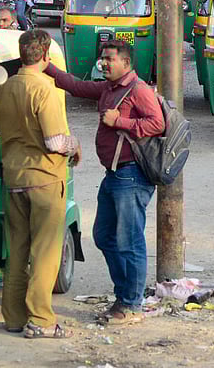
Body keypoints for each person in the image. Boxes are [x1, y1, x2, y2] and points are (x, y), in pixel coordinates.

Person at [44, 39, 164, 325]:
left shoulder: (139, 90)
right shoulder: (108, 89)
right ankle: (124, 295)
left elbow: (157, 124)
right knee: (104, 236)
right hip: (113, 175)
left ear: (126, 62)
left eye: (110, 59)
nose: (104, 63)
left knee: (129, 240)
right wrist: (45, 65)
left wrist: (119, 122)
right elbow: (75, 86)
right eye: (102, 59)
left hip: (132, 175)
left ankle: (131, 304)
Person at [0, 29, 79, 339]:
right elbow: (55, 141)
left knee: (16, 250)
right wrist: (76, 145)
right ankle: (42, 319)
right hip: (44, 179)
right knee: (45, 252)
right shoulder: (44, 89)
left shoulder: (4, 88)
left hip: (14, 178)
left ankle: (13, 317)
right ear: (45, 56)